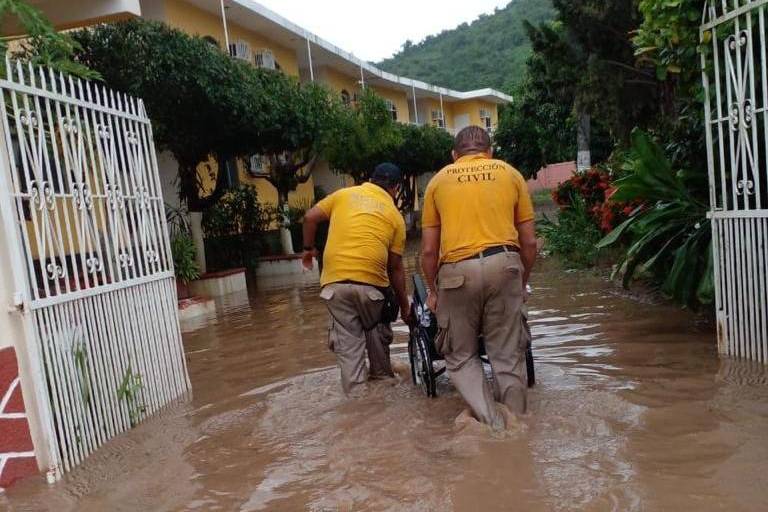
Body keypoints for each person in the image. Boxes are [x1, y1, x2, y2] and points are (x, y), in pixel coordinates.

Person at [420, 126, 537, 428]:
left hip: (457, 272)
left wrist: (433, 291)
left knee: (459, 357)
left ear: (454, 155)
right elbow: (530, 243)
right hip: (506, 264)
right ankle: (517, 426)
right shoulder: (510, 174)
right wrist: (521, 283)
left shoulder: (437, 181)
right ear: (490, 151)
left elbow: (429, 252)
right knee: (508, 356)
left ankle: (493, 424)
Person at [302, 163, 411, 393]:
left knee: (351, 365)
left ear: (371, 179)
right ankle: (383, 392)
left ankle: (357, 409)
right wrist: (405, 307)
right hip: (372, 291)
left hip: (335, 288)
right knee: (380, 360)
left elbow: (310, 217)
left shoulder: (343, 195)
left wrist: (308, 249)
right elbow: (395, 269)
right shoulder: (395, 217)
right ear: (395, 188)